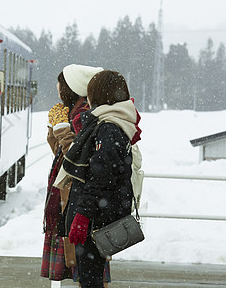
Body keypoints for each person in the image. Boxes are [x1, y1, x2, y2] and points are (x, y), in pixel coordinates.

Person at [62, 70, 141, 287]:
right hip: (101, 213)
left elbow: (101, 177)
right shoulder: (114, 123)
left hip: (95, 218)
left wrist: (83, 217)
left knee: (90, 279)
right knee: (92, 276)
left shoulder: (108, 127)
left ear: (98, 95)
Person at [41, 64, 111, 285]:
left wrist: (62, 128)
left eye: (61, 84)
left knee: (86, 266)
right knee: (83, 265)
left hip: (79, 199)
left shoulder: (84, 115)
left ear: (71, 87)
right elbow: (60, 154)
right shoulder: (73, 111)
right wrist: (54, 129)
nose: (58, 89)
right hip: (72, 197)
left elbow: (76, 157)